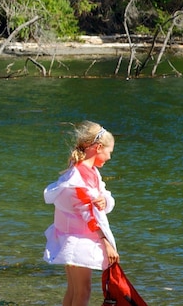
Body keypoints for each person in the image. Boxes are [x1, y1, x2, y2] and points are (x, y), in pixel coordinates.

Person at [43, 121, 119, 306]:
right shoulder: (78, 177)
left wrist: (104, 199)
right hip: (79, 239)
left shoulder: (90, 171)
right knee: (83, 291)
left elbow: (102, 195)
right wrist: (106, 244)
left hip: (74, 237)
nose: (110, 157)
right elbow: (88, 214)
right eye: (109, 152)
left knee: (74, 290)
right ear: (98, 148)